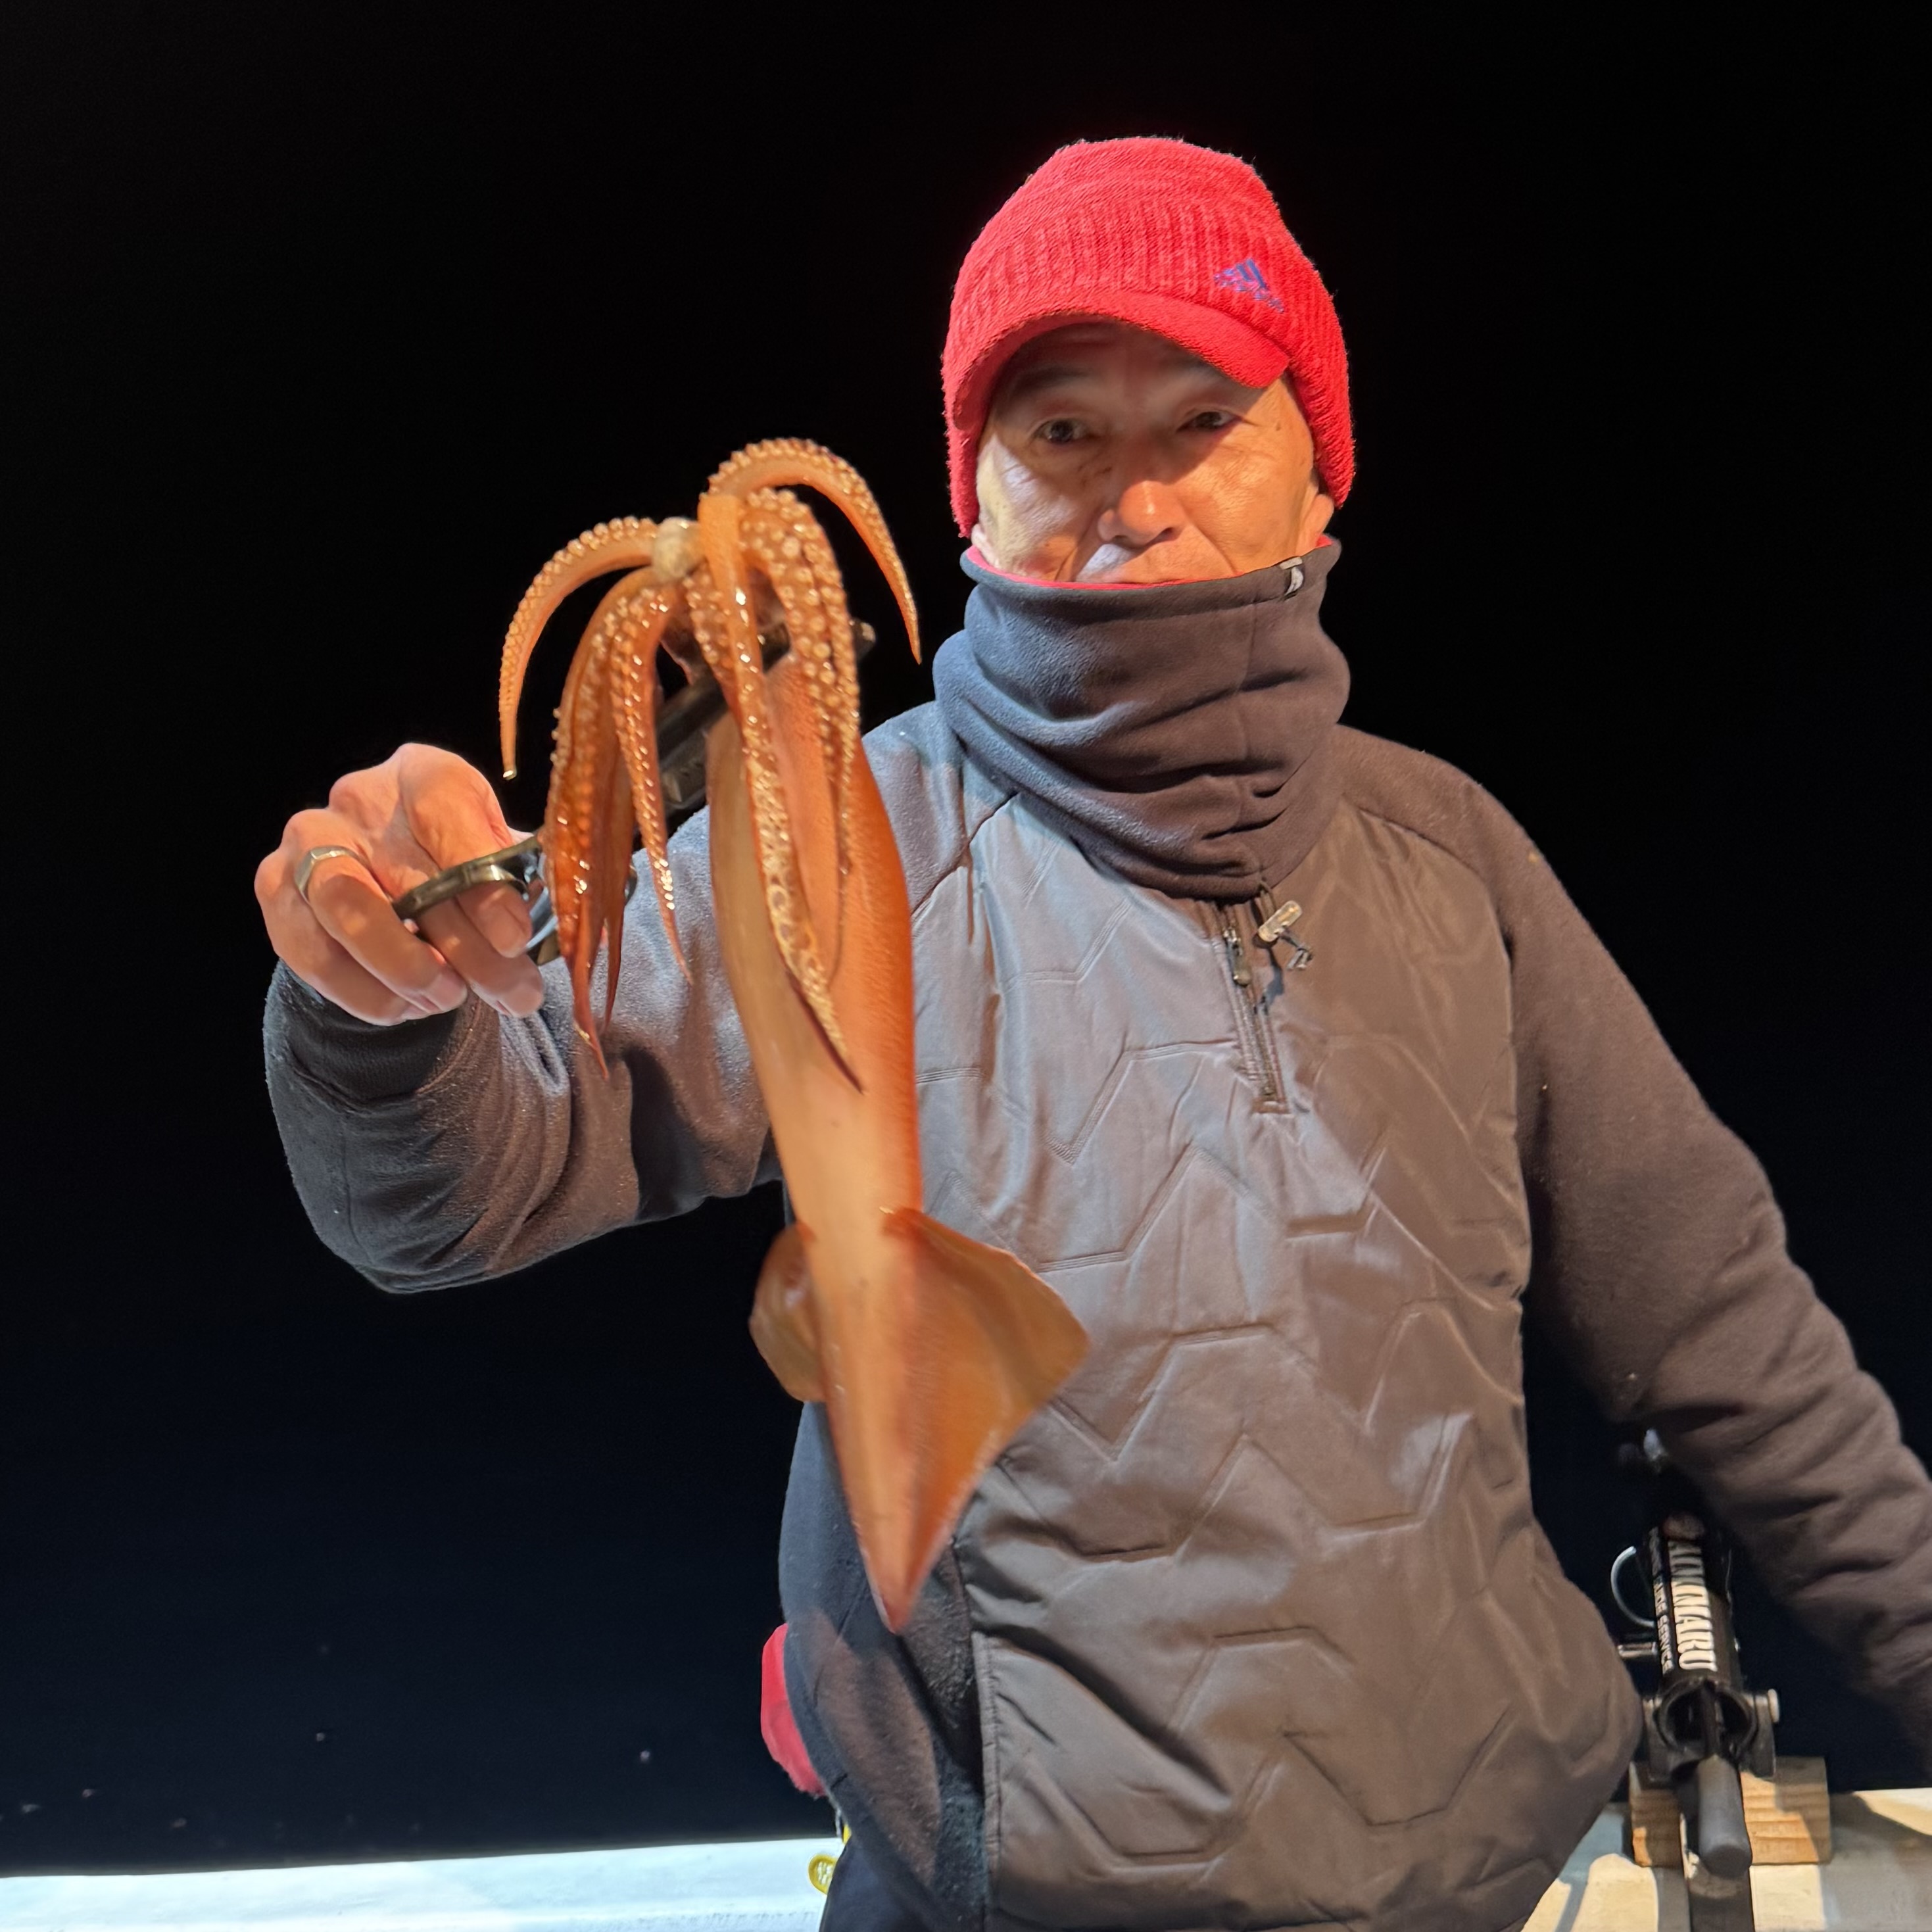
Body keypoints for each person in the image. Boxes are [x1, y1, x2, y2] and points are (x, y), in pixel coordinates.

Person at [256, 139, 1931, 1931]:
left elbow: (1724, 1330)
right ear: (972, 491)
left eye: (1202, 419)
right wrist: (382, 1015)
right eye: (1060, 428)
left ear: (1318, 469)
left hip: (1472, 1879)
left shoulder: (1452, 856)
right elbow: (458, 1192)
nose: (1133, 493)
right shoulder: (839, 836)